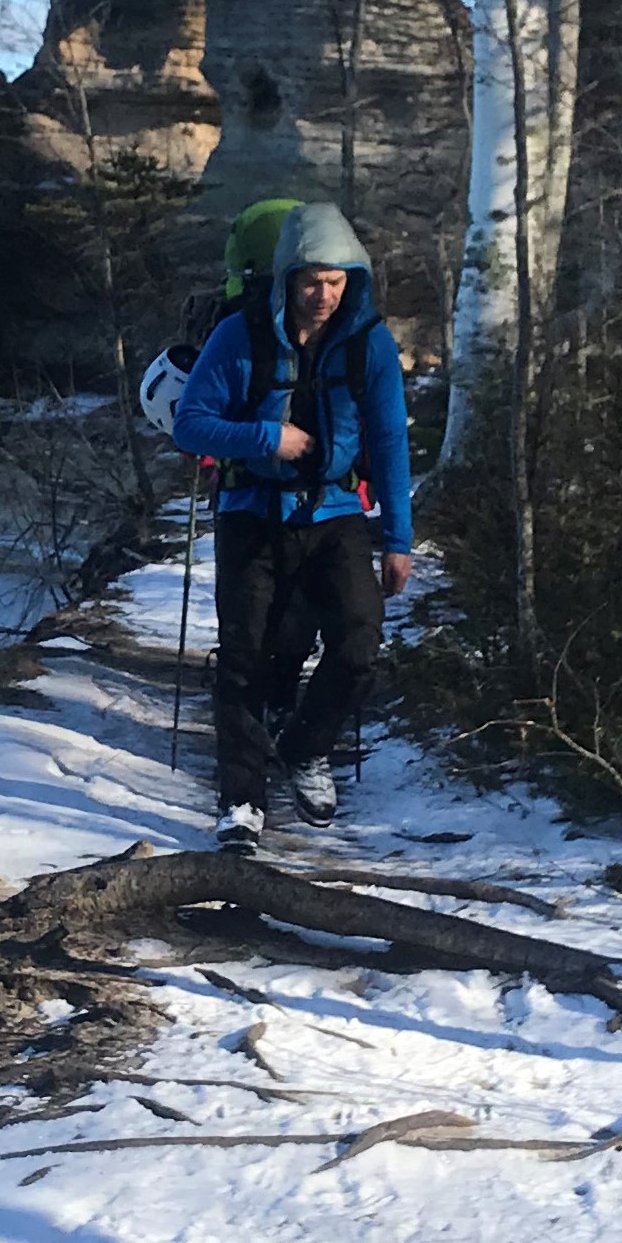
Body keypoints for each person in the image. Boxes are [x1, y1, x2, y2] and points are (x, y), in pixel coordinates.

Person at [171, 201, 413, 849]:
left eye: (337, 281)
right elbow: (189, 421)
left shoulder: (368, 341)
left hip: (336, 513)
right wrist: (264, 437)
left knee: (359, 641)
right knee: (246, 656)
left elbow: (390, 441)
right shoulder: (239, 336)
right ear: (287, 277)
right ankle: (242, 799)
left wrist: (398, 539)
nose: (325, 294)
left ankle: (305, 747)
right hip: (252, 510)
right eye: (313, 281)